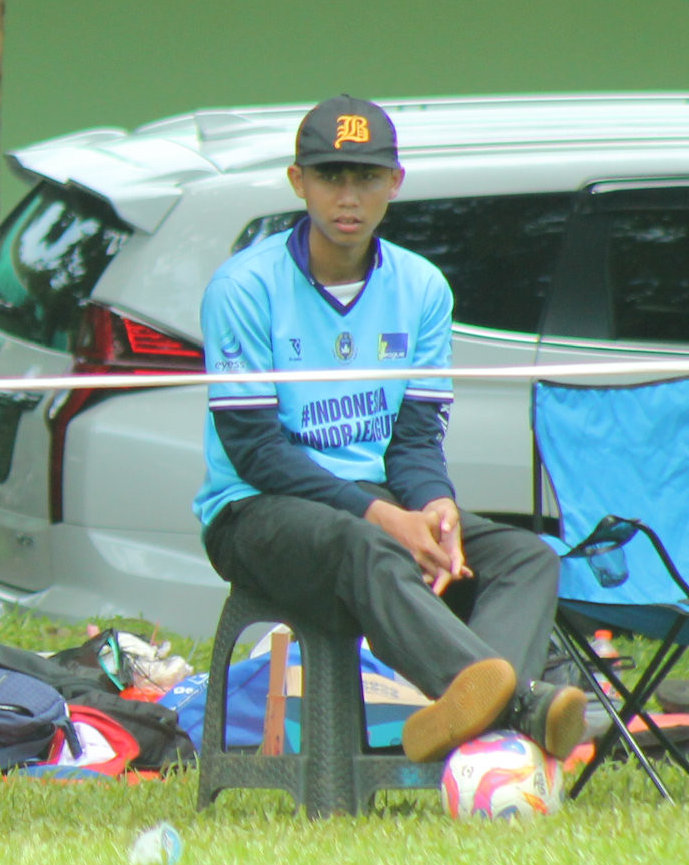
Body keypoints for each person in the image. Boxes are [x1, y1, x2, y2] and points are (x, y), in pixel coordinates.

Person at [196, 96, 586, 763]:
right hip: (249, 512)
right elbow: (255, 451)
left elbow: (412, 441)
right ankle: (518, 709)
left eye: (368, 177)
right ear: (298, 182)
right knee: (366, 543)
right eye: (330, 175)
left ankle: (470, 724)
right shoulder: (242, 286)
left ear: (395, 184)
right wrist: (386, 516)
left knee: (528, 556)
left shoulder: (424, 288)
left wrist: (433, 505)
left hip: (371, 499)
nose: (348, 196)